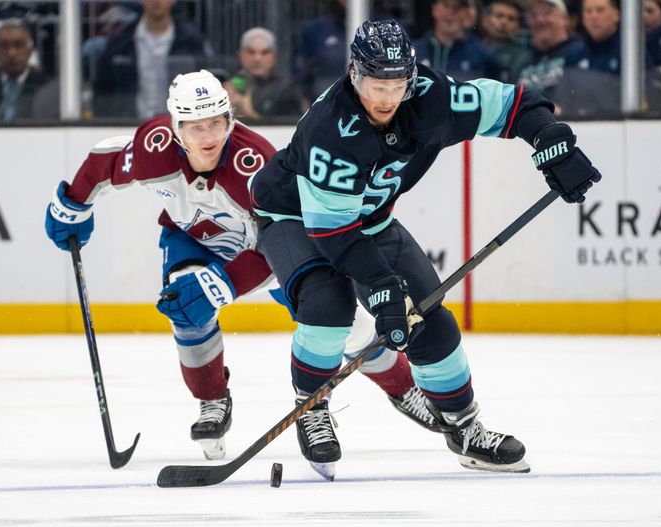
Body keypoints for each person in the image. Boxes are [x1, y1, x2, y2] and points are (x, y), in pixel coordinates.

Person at [249, 20, 601, 479]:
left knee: (432, 324)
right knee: (327, 304)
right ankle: (312, 403)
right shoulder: (330, 130)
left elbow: (514, 104)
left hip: (370, 221)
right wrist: (379, 287)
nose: (387, 98)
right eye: (377, 85)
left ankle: (465, 428)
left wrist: (549, 140)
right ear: (354, 74)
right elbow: (334, 233)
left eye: (397, 85)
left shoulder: (433, 96)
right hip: (295, 217)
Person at [45, 70, 439, 462]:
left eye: (217, 123)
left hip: (267, 251)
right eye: (196, 127)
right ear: (175, 126)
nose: (210, 137)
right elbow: (107, 158)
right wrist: (73, 204)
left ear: (230, 119)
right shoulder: (154, 146)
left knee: (346, 327)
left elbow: (282, 240)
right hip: (192, 238)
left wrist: (222, 283)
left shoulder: (255, 165)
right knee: (186, 307)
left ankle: (404, 388)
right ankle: (212, 401)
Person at [94, 0, 214, 119]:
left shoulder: (192, 41)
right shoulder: (120, 41)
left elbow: (206, 84)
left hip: (180, 126)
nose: (157, 1)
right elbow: (103, 88)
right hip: (128, 125)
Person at [517, 0, 587, 114]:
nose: (540, 20)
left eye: (547, 13)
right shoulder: (522, 62)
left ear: (565, 19)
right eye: (534, 15)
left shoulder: (581, 53)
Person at [224, 27, 307, 123]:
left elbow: (293, 126)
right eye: (251, 52)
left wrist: (248, 114)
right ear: (240, 55)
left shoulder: (287, 89)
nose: (257, 58)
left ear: (274, 57)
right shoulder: (228, 87)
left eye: (265, 52)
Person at [414, 0, 502, 80]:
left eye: (457, 8)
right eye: (446, 5)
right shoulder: (414, 51)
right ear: (434, 9)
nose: (450, 12)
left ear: (466, 13)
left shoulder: (483, 55)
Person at [480, 0, 533, 82]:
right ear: (485, 19)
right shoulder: (470, 47)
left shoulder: (524, 55)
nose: (504, 22)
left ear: (518, 27)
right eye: (499, 16)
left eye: (511, 19)